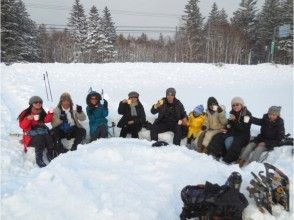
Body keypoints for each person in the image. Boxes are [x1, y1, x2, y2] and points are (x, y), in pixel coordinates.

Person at [208, 97, 252, 164]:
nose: (235, 106)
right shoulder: (232, 112)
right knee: (218, 136)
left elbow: (244, 128)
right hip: (233, 132)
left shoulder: (247, 115)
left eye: (237, 104)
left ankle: (228, 160)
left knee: (235, 143)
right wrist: (226, 128)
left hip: (243, 135)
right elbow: (229, 124)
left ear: (241, 105)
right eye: (233, 105)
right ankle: (215, 154)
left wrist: (235, 120)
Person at [18, 96, 54, 167]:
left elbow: (46, 120)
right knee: (40, 139)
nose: (38, 104)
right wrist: (28, 119)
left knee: (49, 138)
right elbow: (22, 126)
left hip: (41, 131)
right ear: (31, 103)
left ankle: (50, 154)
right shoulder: (25, 113)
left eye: (40, 102)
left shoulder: (41, 111)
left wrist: (50, 113)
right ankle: (39, 159)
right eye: (36, 102)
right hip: (30, 135)